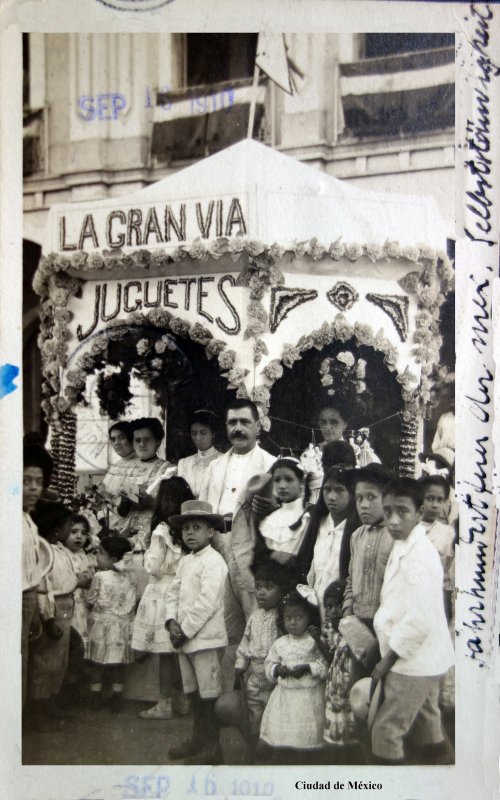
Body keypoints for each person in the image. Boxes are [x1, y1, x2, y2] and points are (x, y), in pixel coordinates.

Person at [371, 478, 455, 765]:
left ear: (419, 513)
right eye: (388, 511)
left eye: (402, 512)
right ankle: (445, 773)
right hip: (423, 657)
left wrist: (388, 659)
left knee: (386, 731)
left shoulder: (420, 555)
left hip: (413, 660)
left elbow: (419, 619)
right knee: (428, 724)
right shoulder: (405, 542)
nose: (393, 520)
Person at [199, 399, 274, 646]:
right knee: (224, 620)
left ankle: (256, 681)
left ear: (257, 426)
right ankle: (230, 682)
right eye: (232, 422)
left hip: (251, 548)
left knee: (256, 616)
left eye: (244, 422)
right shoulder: (215, 466)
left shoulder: (271, 464)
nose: (238, 428)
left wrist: (272, 509)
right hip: (219, 544)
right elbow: (204, 508)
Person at [165, 500, 228, 765]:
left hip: (205, 640)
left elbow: (207, 601)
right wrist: (171, 622)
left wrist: (186, 630)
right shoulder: (185, 561)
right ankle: (197, 740)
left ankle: (213, 748)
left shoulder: (214, 562)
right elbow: (173, 592)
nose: (190, 533)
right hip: (184, 640)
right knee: (193, 693)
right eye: (186, 528)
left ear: (210, 532)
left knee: (208, 695)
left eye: (197, 527)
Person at [131, 476, 195, 720]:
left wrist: (147, 554)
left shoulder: (161, 531)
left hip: (162, 594)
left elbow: (153, 566)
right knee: (179, 651)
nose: (165, 504)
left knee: (165, 654)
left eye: (168, 499)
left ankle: (165, 702)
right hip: (181, 592)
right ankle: (183, 700)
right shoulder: (187, 530)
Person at [259, 586, 328, 759]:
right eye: (288, 618)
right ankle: (287, 757)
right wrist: (277, 670)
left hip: (308, 698)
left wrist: (308, 668)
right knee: (285, 735)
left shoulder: (313, 641)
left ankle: (306, 758)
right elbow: (269, 665)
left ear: (308, 617)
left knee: (306, 737)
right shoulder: (280, 643)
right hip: (285, 699)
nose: (293, 622)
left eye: (299, 617)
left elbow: (325, 665)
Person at [27, 502, 77, 731]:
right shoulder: (44, 551)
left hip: (66, 604)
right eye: (68, 525)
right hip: (53, 607)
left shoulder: (60, 549)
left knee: (58, 661)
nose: (71, 529)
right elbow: (43, 587)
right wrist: (48, 618)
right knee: (44, 662)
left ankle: (51, 703)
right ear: (57, 530)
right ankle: (38, 712)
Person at [342, 464, 394, 682]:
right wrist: (347, 611)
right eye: (359, 498)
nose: (363, 505)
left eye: (371, 497)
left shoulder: (396, 536)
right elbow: (351, 579)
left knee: (384, 688)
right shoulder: (357, 536)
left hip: (387, 628)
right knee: (358, 688)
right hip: (359, 626)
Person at [233, 562, 288, 752]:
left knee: (273, 714)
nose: (261, 593)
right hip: (254, 676)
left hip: (273, 678)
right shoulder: (254, 617)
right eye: (258, 588)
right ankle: (256, 748)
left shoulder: (281, 617)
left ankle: (272, 750)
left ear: (280, 590)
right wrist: (240, 663)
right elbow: (246, 642)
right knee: (253, 711)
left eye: (268, 588)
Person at [86, 536, 137, 712]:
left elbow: (90, 599)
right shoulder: (129, 577)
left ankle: (94, 696)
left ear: (114, 559)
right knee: (117, 663)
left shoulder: (99, 576)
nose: (97, 557)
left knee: (97, 663)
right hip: (121, 627)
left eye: (100, 553)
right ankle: (117, 697)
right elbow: (132, 602)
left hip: (101, 626)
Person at [22, 446, 54, 711]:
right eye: (26, 482)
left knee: (22, 658)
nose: (34, 489)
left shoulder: (28, 520)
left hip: (27, 595)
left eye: (38, 482)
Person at [308, 581, 357, 754]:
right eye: (328, 607)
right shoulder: (328, 629)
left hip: (350, 685)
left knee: (352, 724)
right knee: (336, 724)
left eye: (338, 605)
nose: (333, 611)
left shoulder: (353, 629)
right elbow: (330, 658)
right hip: (335, 687)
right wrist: (318, 640)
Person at [253, 457, 313, 586]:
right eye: (277, 480)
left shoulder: (309, 516)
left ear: (301, 482)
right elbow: (257, 558)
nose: (282, 486)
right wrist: (273, 554)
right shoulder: (268, 519)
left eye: (289, 479)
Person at [306, 466, 356, 619]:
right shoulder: (318, 523)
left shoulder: (355, 529)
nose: (332, 497)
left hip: (338, 611)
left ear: (352, 494)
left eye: (339, 490)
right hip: (313, 608)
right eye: (327, 490)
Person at [117, 417, 169, 549]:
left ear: (157, 442)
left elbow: (170, 508)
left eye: (147, 440)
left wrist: (150, 500)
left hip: (153, 531)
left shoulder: (167, 469)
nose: (142, 444)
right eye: (137, 440)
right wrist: (124, 501)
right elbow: (121, 512)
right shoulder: (127, 470)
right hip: (129, 532)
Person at [63, 514, 95, 702]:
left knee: (82, 648)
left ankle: (77, 687)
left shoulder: (84, 555)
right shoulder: (62, 553)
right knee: (71, 647)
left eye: (83, 533)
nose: (78, 537)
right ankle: (67, 688)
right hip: (70, 606)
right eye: (74, 532)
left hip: (83, 606)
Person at [177, 410, 221, 498]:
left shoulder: (224, 460)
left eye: (203, 433)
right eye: (194, 433)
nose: (198, 438)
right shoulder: (184, 463)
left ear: (213, 434)